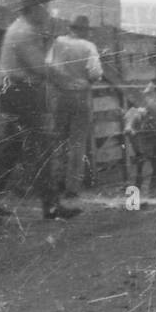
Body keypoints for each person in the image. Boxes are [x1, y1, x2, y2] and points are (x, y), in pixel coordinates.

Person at [0, 0, 82, 221]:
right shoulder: (25, 32)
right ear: (34, 8)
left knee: (10, 149)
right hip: (24, 93)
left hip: (13, 92)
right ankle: (51, 206)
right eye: (45, 6)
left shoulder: (21, 28)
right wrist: (67, 81)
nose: (48, 11)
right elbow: (39, 67)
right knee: (42, 147)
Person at [47, 14, 103, 200]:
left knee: (58, 140)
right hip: (80, 96)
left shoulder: (57, 43)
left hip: (60, 95)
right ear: (84, 30)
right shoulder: (88, 47)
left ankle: (55, 182)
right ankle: (72, 187)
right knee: (77, 143)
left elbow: (48, 66)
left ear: (71, 28)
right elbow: (95, 73)